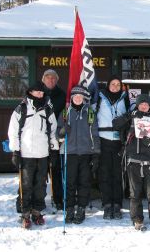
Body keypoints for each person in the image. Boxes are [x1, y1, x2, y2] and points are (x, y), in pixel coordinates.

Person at [8, 81, 59, 229]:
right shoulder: (21, 108)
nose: (40, 95)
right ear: (30, 92)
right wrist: (15, 151)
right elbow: (13, 132)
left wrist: (54, 151)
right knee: (26, 185)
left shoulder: (48, 110)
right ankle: (25, 213)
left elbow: (53, 132)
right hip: (26, 153)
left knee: (40, 185)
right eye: (37, 92)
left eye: (42, 93)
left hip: (43, 154)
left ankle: (37, 211)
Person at [113, 94, 150, 231]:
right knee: (135, 193)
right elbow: (115, 124)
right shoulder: (131, 117)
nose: (144, 106)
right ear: (137, 105)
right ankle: (137, 219)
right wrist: (130, 115)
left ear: (149, 106)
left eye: (146, 104)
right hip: (133, 160)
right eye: (141, 104)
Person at [57, 86, 100, 224]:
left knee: (84, 182)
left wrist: (96, 153)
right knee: (70, 183)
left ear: (84, 98)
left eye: (80, 97)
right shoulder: (65, 113)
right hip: (69, 153)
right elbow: (58, 133)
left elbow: (94, 134)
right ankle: (69, 208)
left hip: (86, 153)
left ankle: (81, 208)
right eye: (75, 96)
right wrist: (62, 132)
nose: (78, 98)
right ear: (72, 97)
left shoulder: (90, 113)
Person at [96, 76, 130, 219]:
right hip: (103, 139)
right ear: (108, 85)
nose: (115, 86)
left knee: (118, 173)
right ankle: (107, 203)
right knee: (105, 173)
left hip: (119, 141)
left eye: (118, 84)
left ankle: (117, 203)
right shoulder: (100, 97)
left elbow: (129, 117)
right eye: (113, 84)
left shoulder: (125, 98)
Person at [42, 69, 66, 211]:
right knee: (39, 171)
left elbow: (64, 114)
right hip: (38, 137)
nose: (50, 80)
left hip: (55, 136)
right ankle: (36, 199)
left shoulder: (62, 95)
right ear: (43, 79)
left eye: (53, 78)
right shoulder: (38, 93)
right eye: (48, 78)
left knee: (56, 170)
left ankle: (58, 199)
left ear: (56, 80)